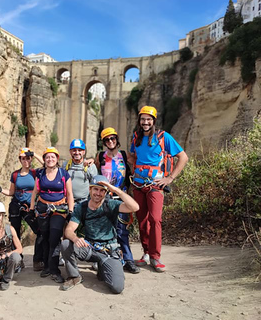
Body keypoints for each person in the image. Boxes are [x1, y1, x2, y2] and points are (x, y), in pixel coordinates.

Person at [129, 106, 188, 272]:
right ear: (139, 121)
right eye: (143, 119)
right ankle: (146, 253)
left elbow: (183, 157)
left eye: (149, 119)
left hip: (155, 185)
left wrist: (170, 178)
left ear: (153, 121)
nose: (145, 122)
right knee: (142, 221)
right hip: (138, 185)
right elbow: (134, 157)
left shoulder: (163, 137)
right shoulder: (136, 137)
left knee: (155, 220)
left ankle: (155, 256)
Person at [60, 175, 139, 293]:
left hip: (108, 250)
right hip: (89, 247)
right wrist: (76, 239)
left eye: (102, 190)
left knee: (117, 288)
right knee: (66, 244)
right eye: (95, 189)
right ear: (90, 190)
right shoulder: (82, 207)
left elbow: (135, 207)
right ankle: (74, 276)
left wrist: (114, 189)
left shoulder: (111, 204)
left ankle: (102, 268)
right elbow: (69, 230)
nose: (98, 193)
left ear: (106, 192)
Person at [97, 127, 140, 274]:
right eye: (107, 139)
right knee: (105, 230)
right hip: (105, 198)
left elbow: (136, 164)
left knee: (122, 231)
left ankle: (128, 260)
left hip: (120, 196)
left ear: (116, 139)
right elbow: (94, 171)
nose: (110, 141)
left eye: (112, 138)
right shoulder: (100, 156)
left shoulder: (123, 154)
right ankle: (104, 259)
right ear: (104, 142)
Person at [29, 147, 74, 283]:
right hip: (42, 208)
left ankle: (54, 269)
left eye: (52, 157)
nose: (50, 159)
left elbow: (70, 194)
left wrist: (70, 211)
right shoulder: (40, 173)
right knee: (45, 236)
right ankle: (47, 266)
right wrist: (32, 208)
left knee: (54, 238)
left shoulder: (63, 173)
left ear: (57, 159)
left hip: (59, 209)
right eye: (47, 157)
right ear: (44, 160)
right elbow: (35, 192)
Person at [0, 147, 44, 271]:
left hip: (29, 207)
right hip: (16, 206)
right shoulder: (15, 174)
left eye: (28, 158)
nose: (26, 161)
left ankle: (37, 260)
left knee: (39, 231)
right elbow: (11, 192)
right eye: (23, 158)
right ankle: (18, 260)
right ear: (20, 160)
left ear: (30, 159)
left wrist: (34, 153)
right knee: (15, 234)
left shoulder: (35, 173)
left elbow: (46, 164)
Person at [62, 139, 98, 204]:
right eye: (74, 150)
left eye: (79, 150)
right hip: (68, 202)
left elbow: (96, 184)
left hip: (84, 202)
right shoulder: (65, 165)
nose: (77, 152)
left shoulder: (90, 166)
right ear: (70, 152)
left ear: (84, 152)